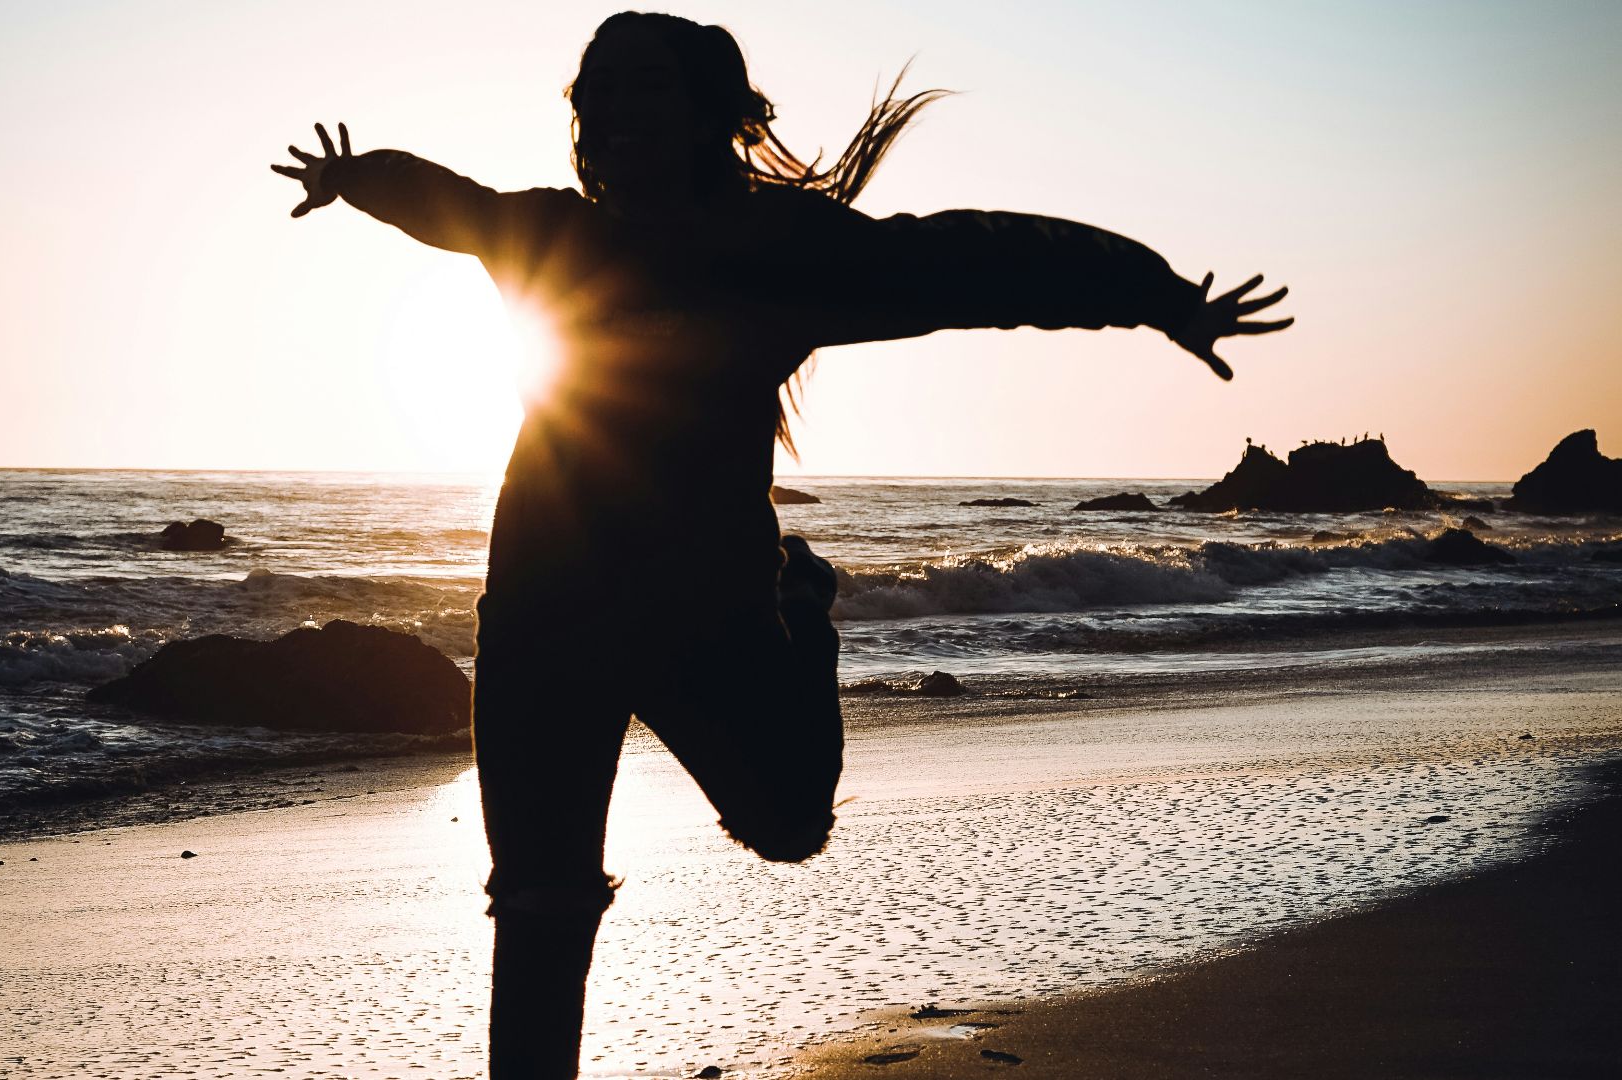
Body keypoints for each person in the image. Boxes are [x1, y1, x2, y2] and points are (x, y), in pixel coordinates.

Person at [272, 11, 1291, 1077]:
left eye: (646, 88)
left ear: (713, 111)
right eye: (599, 89)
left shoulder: (786, 249)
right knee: (539, 903)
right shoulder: (552, 236)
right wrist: (358, 175)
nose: (617, 110)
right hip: (542, 616)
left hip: (707, 612)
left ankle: (802, 605)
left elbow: (975, 260)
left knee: (789, 823)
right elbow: (452, 207)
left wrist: (1154, 294)